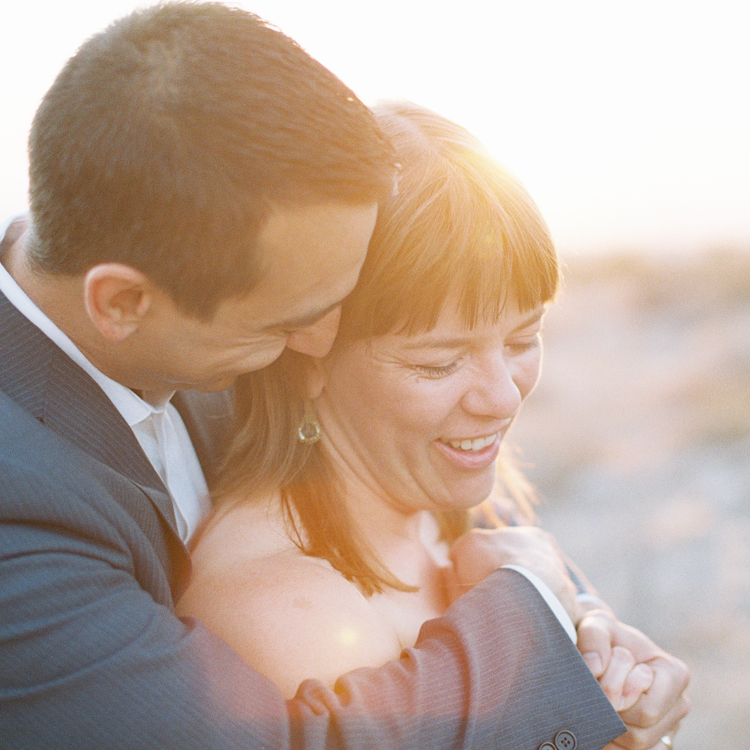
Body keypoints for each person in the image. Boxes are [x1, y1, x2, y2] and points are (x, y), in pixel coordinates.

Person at [0, 3, 629, 749]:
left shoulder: (196, 295)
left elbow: (410, 466)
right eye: (290, 320)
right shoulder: (19, 512)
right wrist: (534, 608)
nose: (319, 344)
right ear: (123, 302)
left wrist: (597, 633)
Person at [178, 103, 690, 747]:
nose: (503, 398)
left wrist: (608, 665)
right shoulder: (290, 609)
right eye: (439, 362)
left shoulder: (438, 484)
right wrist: (538, 595)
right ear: (306, 353)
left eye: (522, 338)